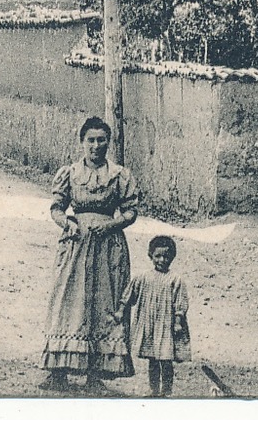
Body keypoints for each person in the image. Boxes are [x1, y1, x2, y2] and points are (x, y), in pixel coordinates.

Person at [39, 116, 139, 392]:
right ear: (82, 143)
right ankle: (58, 372)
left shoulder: (119, 175)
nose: (96, 145)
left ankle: (95, 375)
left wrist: (110, 225)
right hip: (76, 245)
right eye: (90, 140)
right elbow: (57, 207)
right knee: (68, 302)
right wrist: (67, 223)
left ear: (108, 142)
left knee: (104, 306)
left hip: (109, 248)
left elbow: (131, 212)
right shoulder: (70, 173)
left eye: (101, 140)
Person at [115, 235, 191, 398]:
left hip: (166, 327)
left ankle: (167, 391)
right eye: (158, 256)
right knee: (152, 361)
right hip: (149, 326)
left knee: (166, 360)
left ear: (172, 257)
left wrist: (177, 322)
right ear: (151, 256)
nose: (162, 260)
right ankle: (154, 391)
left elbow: (180, 303)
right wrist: (121, 310)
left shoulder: (175, 279)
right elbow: (129, 295)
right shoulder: (143, 278)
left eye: (166, 256)